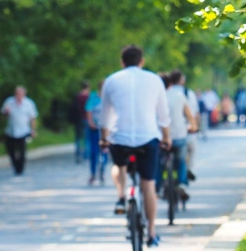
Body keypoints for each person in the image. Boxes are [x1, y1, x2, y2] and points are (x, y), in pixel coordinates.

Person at [100, 45, 171, 248]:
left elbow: (105, 116)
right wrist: (167, 137)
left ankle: (122, 197)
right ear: (142, 61)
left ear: (122, 62)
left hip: (119, 138)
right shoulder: (154, 80)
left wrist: (104, 138)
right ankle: (151, 232)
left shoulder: (111, 81)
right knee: (148, 185)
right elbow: (163, 115)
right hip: (148, 138)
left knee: (119, 166)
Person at [158, 70, 197, 200]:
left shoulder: (155, 96)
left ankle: (157, 187)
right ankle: (181, 183)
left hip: (160, 137)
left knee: (158, 163)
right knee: (181, 160)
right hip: (179, 134)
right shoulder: (179, 95)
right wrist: (193, 126)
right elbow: (190, 115)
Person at [2, 86, 38, 175]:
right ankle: (15, 165)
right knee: (11, 150)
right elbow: (4, 116)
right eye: (17, 93)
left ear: (24, 94)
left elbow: (32, 118)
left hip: (23, 131)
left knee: (22, 151)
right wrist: (6, 112)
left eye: (20, 93)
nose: (18, 95)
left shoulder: (29, 103)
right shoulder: (9, 102)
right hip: (11, 131)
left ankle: (20, 169)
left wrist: (33, 130)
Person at [84, 82, 108, 185]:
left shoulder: (109, 99)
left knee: (105, 150)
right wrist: (91, 123)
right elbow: (88, 112)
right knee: (94, 152)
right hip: (95, 128)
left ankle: (102, 171)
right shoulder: (93, 98)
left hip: (106, 129)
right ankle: (93, 173)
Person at [73, 82, 91, 164]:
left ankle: (78, 155)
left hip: (78, 119)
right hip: (87, 119)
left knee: (78, 138)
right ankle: (86, 156)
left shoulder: (77, 96)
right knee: (87, 139)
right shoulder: (89, 97)